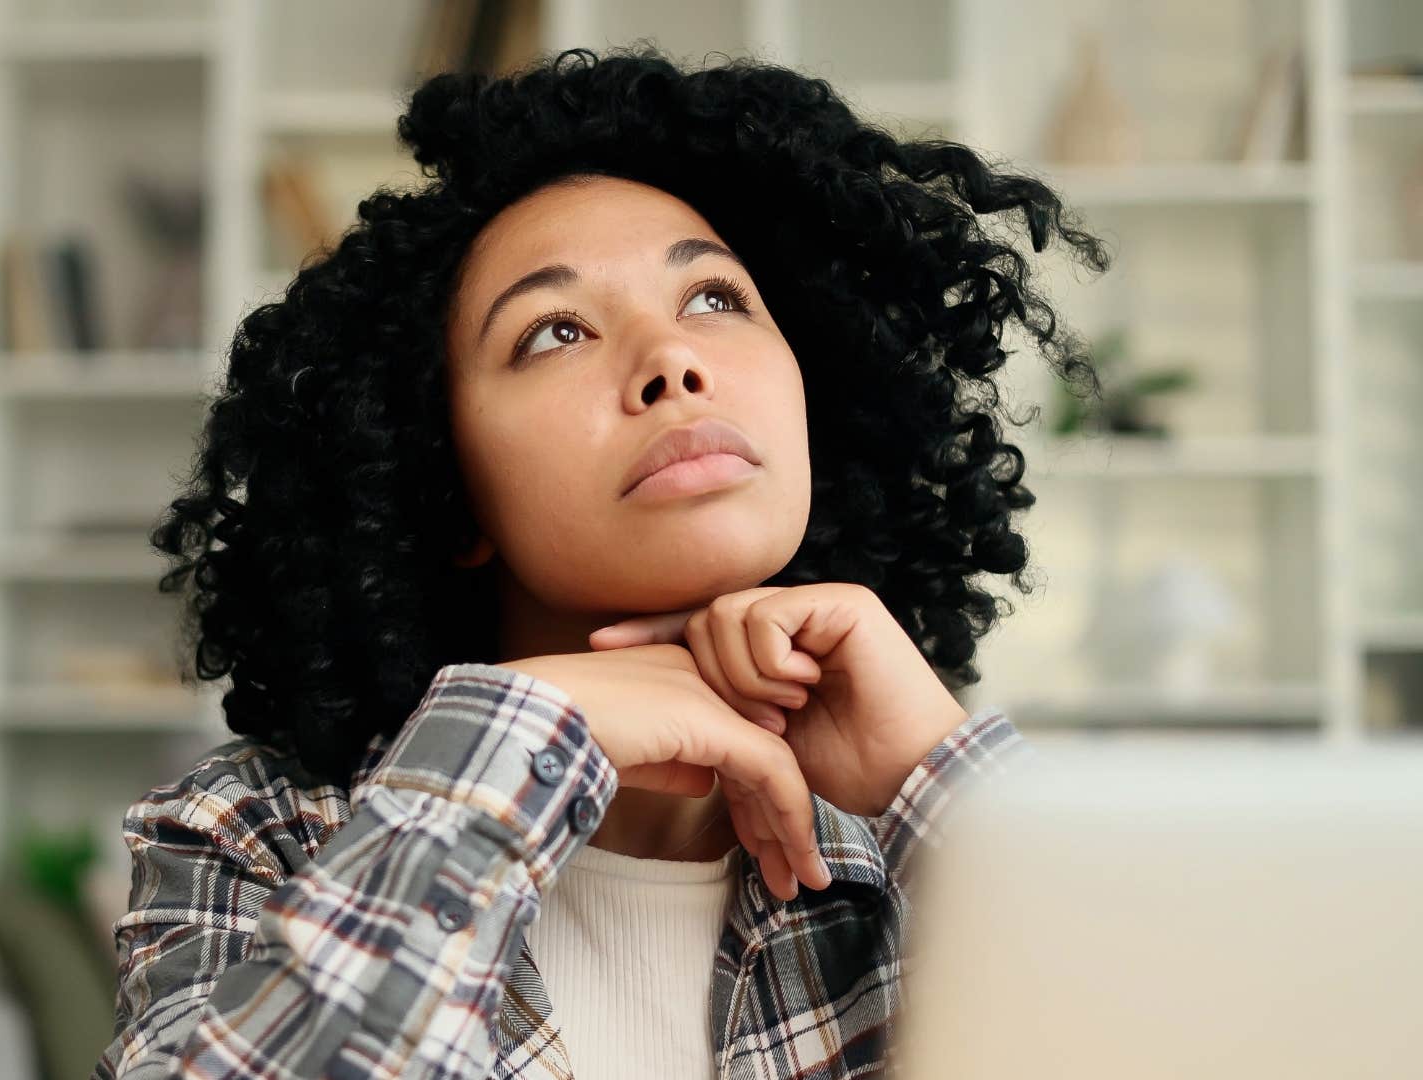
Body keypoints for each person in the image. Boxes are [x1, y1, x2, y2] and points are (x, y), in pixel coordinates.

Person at [95, 45, 1110, 1080]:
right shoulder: (257, 835)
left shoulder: (921, 848)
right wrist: (521, 744)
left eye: (715, 298)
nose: (673, 361)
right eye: (557, 331)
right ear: (449, 490)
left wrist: (946, 792)